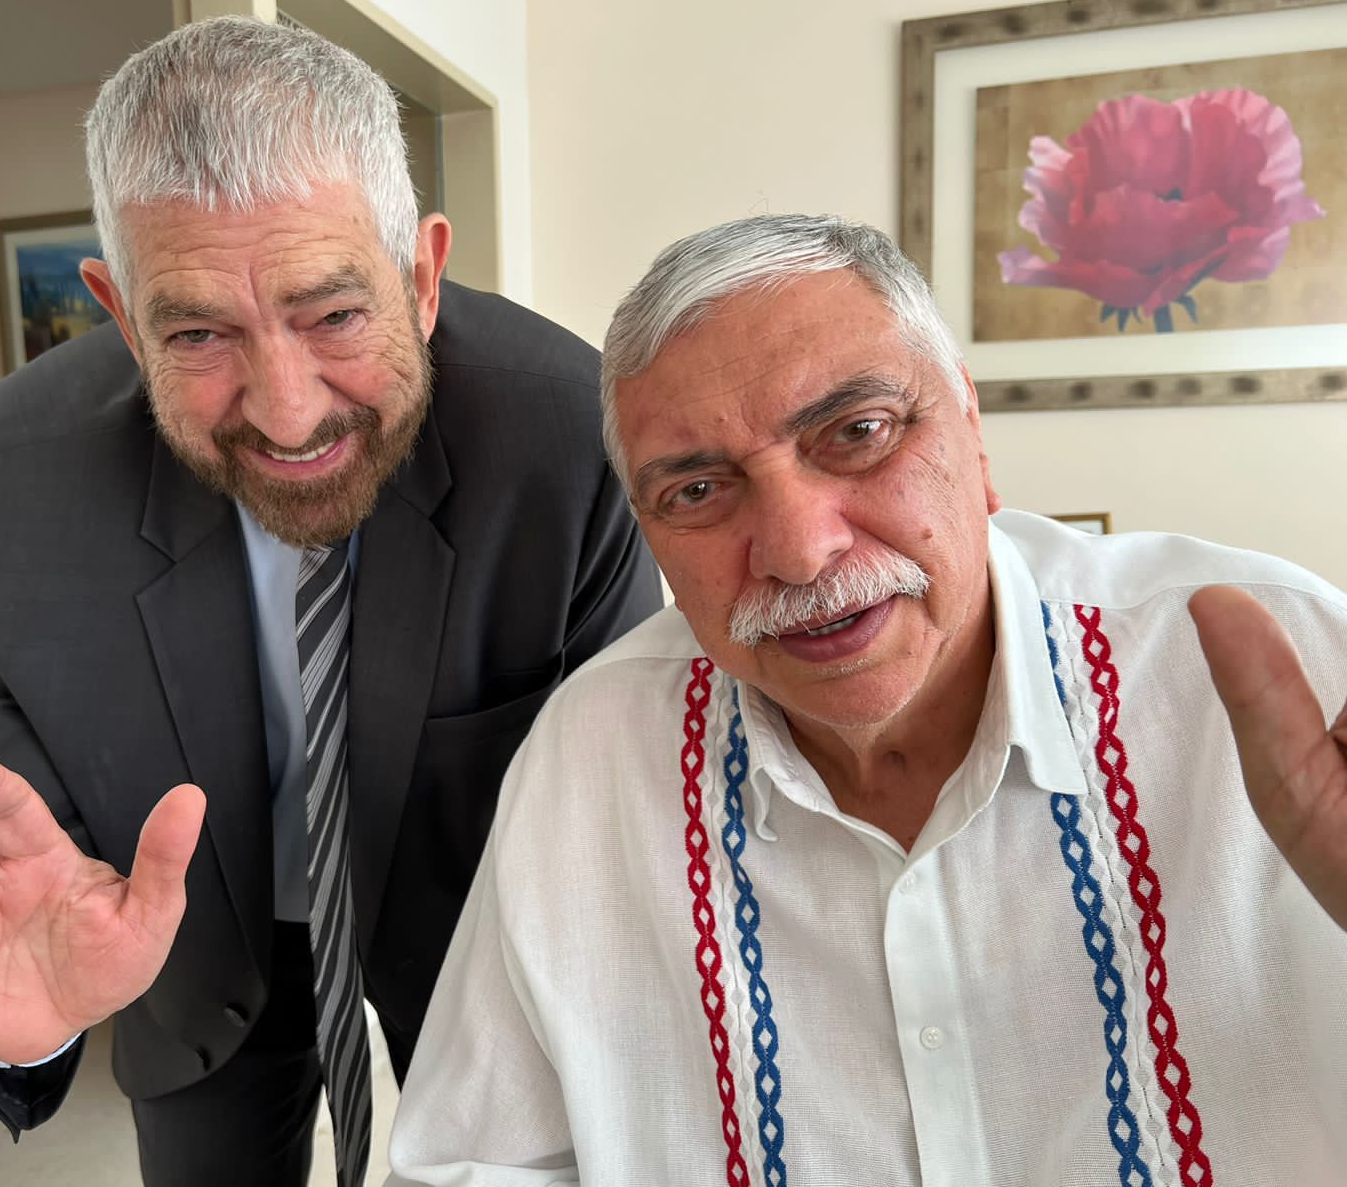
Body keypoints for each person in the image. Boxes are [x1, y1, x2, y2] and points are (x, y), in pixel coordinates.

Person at [0, 15, 658, 1187]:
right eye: (196, 332)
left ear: (424, 275)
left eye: (334, 314)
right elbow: (11, 837)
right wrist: (15, 1003)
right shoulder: (2, 473)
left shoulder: (568, 433)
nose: (286, 413)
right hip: (179, 945)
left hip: (469, 927)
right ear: (121, 319)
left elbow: (628, 803)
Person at [382, 214, 1347, 1184]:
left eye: (856, 434)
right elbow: (474, 1162)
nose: (799, 551)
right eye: (699, 491)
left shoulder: (1281, 663)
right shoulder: (593, 756)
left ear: (969, 424)